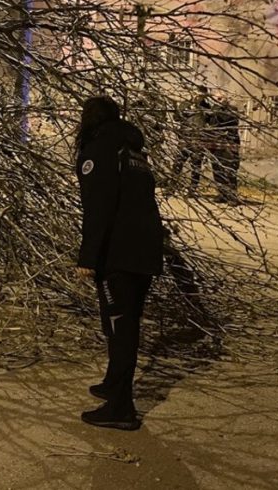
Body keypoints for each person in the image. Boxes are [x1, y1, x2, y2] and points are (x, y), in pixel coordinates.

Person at [75, 96, 164, 431]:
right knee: (123, 322)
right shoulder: (132, 151)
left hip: (120, 252)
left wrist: (88, 257)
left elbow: (99, 206)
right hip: (144, 247)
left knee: (120, 327)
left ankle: (121, 408)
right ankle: (114, 383)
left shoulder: (99, 150)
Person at [172, 87, 213, 194]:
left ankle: (193, 189)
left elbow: (210, 121)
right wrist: (185, 111)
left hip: (199, 139)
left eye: (202, 96)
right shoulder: (185, 104)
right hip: (185, 138)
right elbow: (176, 117)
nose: (199, 97)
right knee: (178, 162)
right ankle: (171, 186)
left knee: (196, 164)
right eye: (198, 95)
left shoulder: (206, 107)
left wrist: (206, 113)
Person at [209, 94, 241, 203]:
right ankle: (222, 194)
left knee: (230, 170)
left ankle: (232, 196)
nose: (217, 101)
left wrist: (215, 109)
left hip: (229, 143)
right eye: (215, 99)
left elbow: (225, 118)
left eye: (219, 98)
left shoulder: (232, 110)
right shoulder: (214, 110)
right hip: (216, 143)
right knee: (217, 170)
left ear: (226, 99)